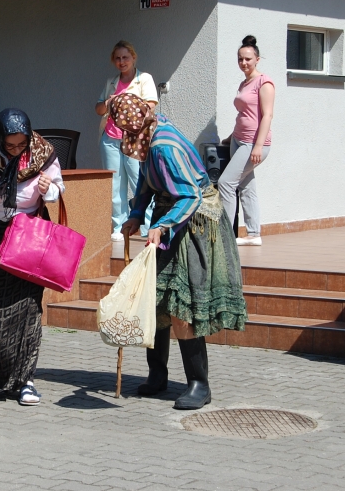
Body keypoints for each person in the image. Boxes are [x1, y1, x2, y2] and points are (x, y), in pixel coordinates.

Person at [117, 93, 248, 410]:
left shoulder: (164, 146)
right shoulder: (148, 138)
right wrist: (136, 215)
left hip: (193, 223)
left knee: (180, 303)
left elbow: (189, 195)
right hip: (169, 217)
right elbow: (146, 182)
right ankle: (157, 375)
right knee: (156, 298)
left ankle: (199, 385)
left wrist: (163, 225)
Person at [0, 108, 64, 406]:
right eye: (10, 145)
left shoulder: (43, 153)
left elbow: (58, 189)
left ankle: (25, 381)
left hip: (29, 232)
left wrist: (49, 189)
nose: (17, 150)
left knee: (28, 308)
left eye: (22, 145)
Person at [95, 41, 158, 242]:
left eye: (125, 57)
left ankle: (147, 227)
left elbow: (151, 104)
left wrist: (124, 102)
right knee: (115, 186)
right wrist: (109, 102)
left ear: (133, 57)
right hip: (110, 138)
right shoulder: (111, 82)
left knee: (139, 183)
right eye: (118, 58)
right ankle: (119, 227)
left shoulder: (144, 78)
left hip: (134, 139)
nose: (122, 62)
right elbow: (99, 109)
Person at [218, 35, 275, 247]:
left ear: (257, 59)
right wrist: (230, 138)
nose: (244, 62)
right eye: (240, 59)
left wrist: (258, 146)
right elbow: (245, 114)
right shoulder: (244, 83)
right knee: (246, 186)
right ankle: (253, 233)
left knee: (226, 183)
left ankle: (225, 235)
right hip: (238, 141)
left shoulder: (264, 83)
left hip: (253, 144)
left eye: (248, 59)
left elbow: (267, 116)